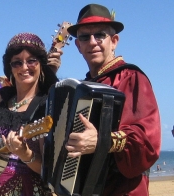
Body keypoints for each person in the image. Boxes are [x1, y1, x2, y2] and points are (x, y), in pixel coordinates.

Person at [65, 4, 161, 195]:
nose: (92, 42)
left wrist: (102, 141)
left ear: (114, 41)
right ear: (78, 45)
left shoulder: (131, 77)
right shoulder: (81, 89)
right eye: (84, 37)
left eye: (100, 35)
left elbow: (148, 142)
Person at [0, 32, 59, 195]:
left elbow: (47, 169)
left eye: (31, 60)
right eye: (17, 63)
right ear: (10, 67)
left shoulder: (46, 104)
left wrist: (25, 154)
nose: (24, 67)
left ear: (41, 64)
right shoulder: (3, 96)